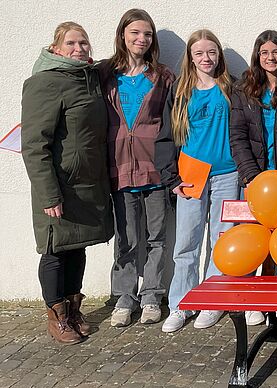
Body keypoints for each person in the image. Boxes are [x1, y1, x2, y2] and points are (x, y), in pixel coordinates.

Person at [21, 22, 113, 344]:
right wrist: (49, 194)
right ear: (56, 48)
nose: (79, 49)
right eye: (71, 43)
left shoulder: (88, 78)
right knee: (55, 251)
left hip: (86, 185)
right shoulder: (45, 82)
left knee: (77, 247)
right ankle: (56, 315)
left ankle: (74, 310)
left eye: (84, 43)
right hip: (59, 185)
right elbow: (34, 144)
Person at [155, 29, 238, 333]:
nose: (206, 58)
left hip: (228, 174)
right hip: (190, 174)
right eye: (199, 53)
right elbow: (164, 137)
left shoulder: (232, 88)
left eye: (212, 52)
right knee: (187, 242)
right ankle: (182, 303)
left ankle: (213, 301)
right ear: (190, 57)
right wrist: (170, 177)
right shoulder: (179, 91)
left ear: (219, 55)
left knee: (222, 241)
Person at [98, 9, 176, 328]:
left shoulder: (163, 76)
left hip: (154, 168)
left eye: (147, 34)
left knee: (156, 236)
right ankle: (125, 298)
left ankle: (152, 297)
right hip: (119, 167)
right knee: (126, 238)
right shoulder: (104, 73)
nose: (141, 39)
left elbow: (173, 124)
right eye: (135, 33)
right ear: (123, 35)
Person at [230, 30, 277, 327]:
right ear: (257, 56)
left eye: (276, 52)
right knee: (255, 240)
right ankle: (254, 300)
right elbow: (237, 136)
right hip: (255, 180)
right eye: (264, 53)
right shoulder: (243, 89)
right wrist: (251, 176)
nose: (270, 58)